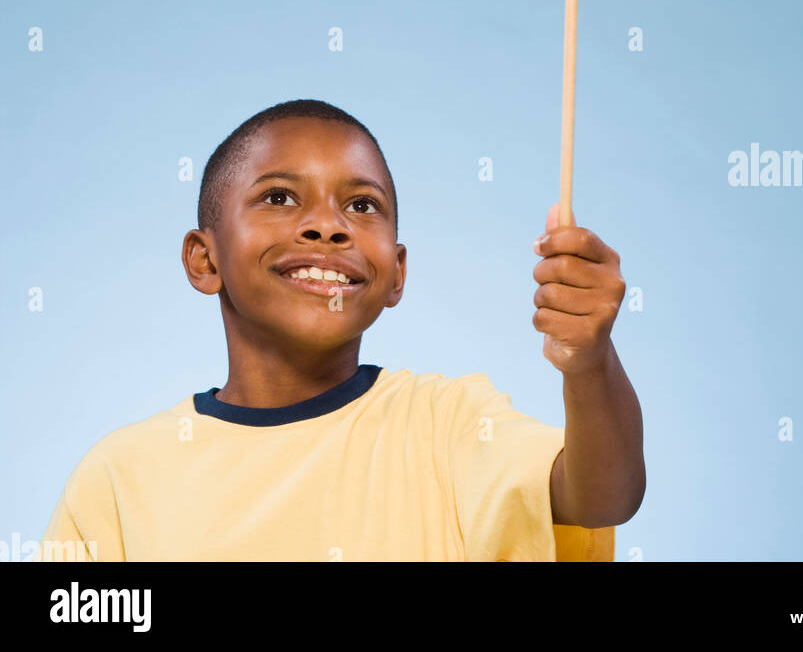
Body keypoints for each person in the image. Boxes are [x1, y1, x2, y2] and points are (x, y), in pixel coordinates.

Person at [37, 99, 645, 562]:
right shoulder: (118, 478)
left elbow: (600, 495)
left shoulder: (450, 426)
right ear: (205, 259)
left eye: (361, 206)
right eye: (278, 197)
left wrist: (589, 362)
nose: (327, 226)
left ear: (396, 273)